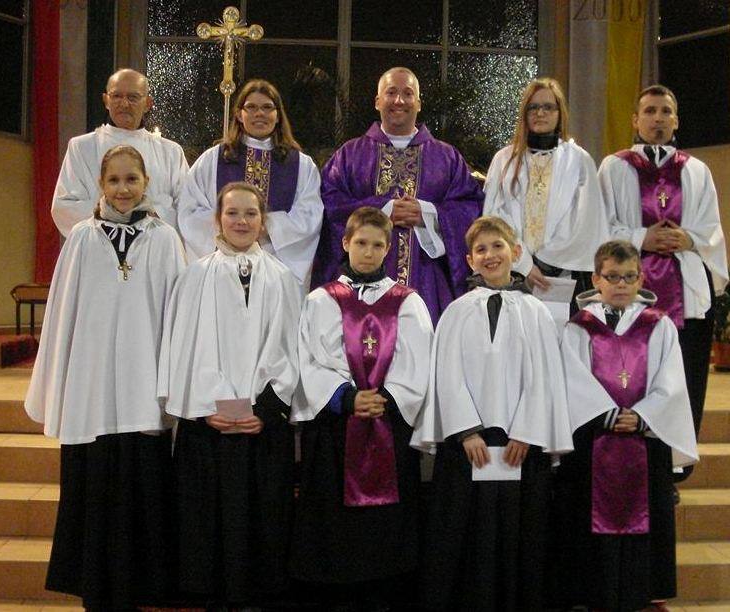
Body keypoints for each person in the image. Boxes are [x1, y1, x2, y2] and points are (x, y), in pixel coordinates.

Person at [25, 144, 186, 610]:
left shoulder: (164, 238)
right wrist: (59, 382)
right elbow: (62, 315)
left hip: (144, 389)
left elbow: (176, 316)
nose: (122, 189)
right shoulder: (81, 238)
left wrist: (173, 384)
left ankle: (141, 587)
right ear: (100, 185)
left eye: (131, 179)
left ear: (146, 183)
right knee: (93, 490)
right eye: (113, 180)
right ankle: (95, 588)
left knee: (143, 488)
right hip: (90, 388)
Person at [412, 216, 573, 611]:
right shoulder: (456, 311)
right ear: (470, 259)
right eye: (481, 250)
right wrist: (466, 431)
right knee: (465, 533)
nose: (490, 255)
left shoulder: (536, 311)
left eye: (497, 246)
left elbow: (544, 376)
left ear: (515, 252)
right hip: (469, 445)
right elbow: (446, 373)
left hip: (521, 445)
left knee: (520, 534)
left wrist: (526, 431)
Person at [158, 181, 301, 609]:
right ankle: (215, 596)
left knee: (263, 513)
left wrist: (268, 408)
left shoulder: (282, 278)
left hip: (262, 422)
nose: (241, 221)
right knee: (209, 516)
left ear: (263, 222)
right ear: (217, 219)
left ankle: (257, 596)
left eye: (250, 213)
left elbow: (291, 346)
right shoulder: (195, 276)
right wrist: (208, 407)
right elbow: (185, 347)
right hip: (210, 424)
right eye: (233, 212)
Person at [291, 206, 434, 608]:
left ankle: (387, 587)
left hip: (388, 420)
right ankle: (335, 588)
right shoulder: (321, 299)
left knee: (386, 519)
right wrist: (348, 397)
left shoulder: (408, 302)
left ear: (388, 248)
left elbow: (419, 361)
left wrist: (386, 397)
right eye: (361, 243)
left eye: (376, 245)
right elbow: (308, 359)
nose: (368, 252)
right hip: (336, 423)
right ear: (345, 243)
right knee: (333, 512)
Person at [554, 239, 699, 611]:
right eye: (612, 277)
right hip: (593, 440)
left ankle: (640, 593)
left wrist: (643, 416)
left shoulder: (659, 325)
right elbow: (571, 378)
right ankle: (592, 593)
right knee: (586, 515)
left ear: (641, 279)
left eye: (629, 277)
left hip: (644, 441)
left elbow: (671, 382)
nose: (621, 284)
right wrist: (607, 415)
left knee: (645, 516)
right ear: (596, 279)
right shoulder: (579, 327)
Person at [599, 84, 728, 483]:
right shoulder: (614, 168)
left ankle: (674, 468)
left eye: (665, 111)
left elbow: (711, 230)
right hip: (628, 296)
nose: (658, 118)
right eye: (650, 111)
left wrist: (687, 238)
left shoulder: (696, 170)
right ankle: (632, 464)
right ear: (635, 120)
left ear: (676, 121)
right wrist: (642, 238)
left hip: (685, 295)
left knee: (685, 380)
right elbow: (599, 227)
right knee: (631, 379)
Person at [314, 67, 483, 324]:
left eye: (408, 93)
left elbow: (470, 206)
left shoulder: (446, 157)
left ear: (419, 103)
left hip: (428, 283)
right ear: (377, 101)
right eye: (391, 92)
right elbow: (329, 204)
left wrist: (428, 214)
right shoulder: (350, 154)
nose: (399, 100)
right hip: (359, 285)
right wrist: (383, 211)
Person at [178, 79, 323, 284]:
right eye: (252, 107)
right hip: (223, 265)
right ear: (239, 114)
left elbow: (310, 215)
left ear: (278, 116)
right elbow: (190, 210)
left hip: (277, 269)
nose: (260, 113)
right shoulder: (213, 159)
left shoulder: (301, 164)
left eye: (267, 107)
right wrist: (232, 227)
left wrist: (267, 226)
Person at [484, 77, 608, 315]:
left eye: (548, 107)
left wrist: (550, 261)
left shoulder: (578, 160)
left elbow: (588, 221)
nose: (540, 113)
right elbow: (494, 218)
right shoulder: (504, 159)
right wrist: (525, 264)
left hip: (564, 274)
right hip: (513, 271)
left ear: (560, 113)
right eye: (533, 107)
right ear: (524, 113)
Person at [52, 68, 189, 235]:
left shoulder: (171, 152)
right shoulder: (81, 148)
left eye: (133, 97)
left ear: (148, 103)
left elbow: (187, 209)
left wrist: (151, 215)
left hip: (155, 243)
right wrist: (111, 215)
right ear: (106, 100)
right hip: (99, 242)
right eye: (116, 96)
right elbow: (64, 207)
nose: (124, 104)